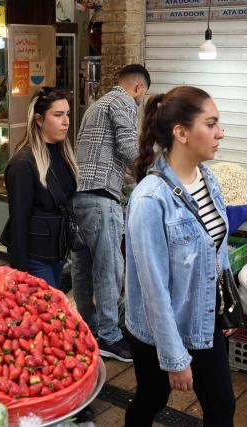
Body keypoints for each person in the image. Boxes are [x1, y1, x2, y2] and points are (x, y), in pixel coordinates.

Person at [124, 86, 235, 427]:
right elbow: (153, 289)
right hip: (161, 331)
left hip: (206, 319)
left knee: (221, 406)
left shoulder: (208, 177)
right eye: (211, 123)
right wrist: (173, 357)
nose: (221, 132)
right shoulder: (149, 200)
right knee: (152, 399)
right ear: (181, 133)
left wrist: (227, 304)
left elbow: (218, 247)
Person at [71, 64, 150, 362]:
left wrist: (131, 176)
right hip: (102, 198)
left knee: (84, 264)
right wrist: (157, 176)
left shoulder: (98, 104)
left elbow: (107, 153)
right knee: (109, 267)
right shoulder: (123, 101)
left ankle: (88, 328)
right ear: (139, 88)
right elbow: (128, 147)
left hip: (80, 195)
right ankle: (109, 336)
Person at [0, 87, 78, 289]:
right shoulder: (23, 163)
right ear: (39, 119)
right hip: (34, 257)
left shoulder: (62, 152)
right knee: (50, 312)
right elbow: (18, 220)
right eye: (58, 115)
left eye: (67, 114)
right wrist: (20, 273)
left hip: (57, 253)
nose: (66, 121)